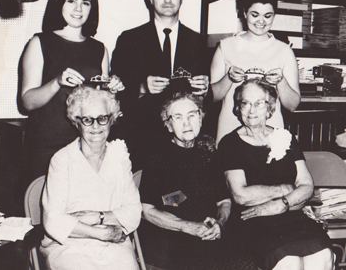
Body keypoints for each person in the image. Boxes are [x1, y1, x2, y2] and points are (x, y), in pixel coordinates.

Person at [215, 78, 334, 270]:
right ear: (238, 108)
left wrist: (283, 203)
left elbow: (307, 185)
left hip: (291, 215)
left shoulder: (285, 138)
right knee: (290, 262)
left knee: (322, 256)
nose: (251, 110)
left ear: (270, 108)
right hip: (254, 220)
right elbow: (241, 195)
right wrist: (286, 189)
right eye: (245, 103)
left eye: (259, 103)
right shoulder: (230, 144)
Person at [20, 0, 124, 179]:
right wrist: (57, 81)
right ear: (60, 3)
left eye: (85, 3)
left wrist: (112, 88)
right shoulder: (39, 42)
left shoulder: (99, 48)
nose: (78, 9)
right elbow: (27, 102)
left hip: (88, 146)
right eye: (71, 1)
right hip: (47, 145)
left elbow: (102, 102)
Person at [139, 92, 256, 270]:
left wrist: (220, 224)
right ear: (169, 125)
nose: (187, 123)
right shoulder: (157, 156)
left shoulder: (207, 151)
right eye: (177, 118)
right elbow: (147, 210)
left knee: (246, 260)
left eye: (192, 115)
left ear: (200, 118)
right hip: (172, 238)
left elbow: (224, 200)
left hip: (208, 234)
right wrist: (187, 227)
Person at [111, 0, 210, 170]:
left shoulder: (198, 41)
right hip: (141, 137)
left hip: (183, 140)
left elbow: (208, 98)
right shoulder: (129, 40)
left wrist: (206, 89)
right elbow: (116, 91)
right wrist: (141, 87)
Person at [40, 86, 141, 270]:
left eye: (102, 118)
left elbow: (134, 212)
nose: (96, 127)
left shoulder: (119, 156)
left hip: (114, 244)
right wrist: (100, 233)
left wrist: (98, 216)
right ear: (76, 122)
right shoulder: (62, 160)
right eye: (87, 120)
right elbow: (53, 221)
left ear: (112, 119)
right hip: (69, 245)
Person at [210, 0, 300, 146]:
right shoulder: (225, 46)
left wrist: (281, 81)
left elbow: (293, 105)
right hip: (230, 131)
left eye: (268, 16)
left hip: (270, 136)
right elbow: (211, 97)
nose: (261, 22)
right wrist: (229, 78)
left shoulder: (284, 51)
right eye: (255, 14)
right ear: (244, 12)